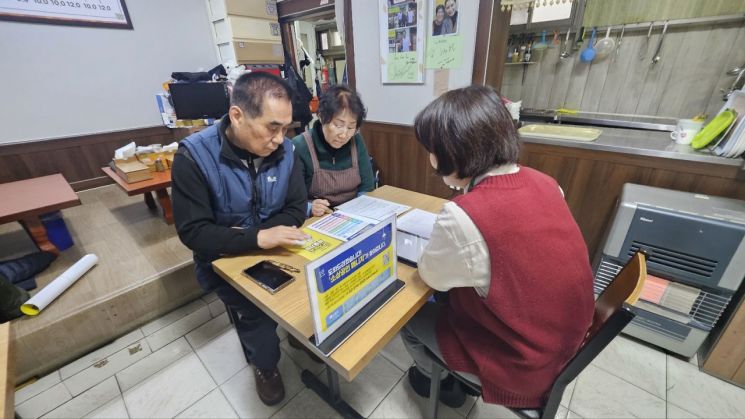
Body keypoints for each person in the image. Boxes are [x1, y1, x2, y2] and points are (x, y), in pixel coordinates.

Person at [401, 85, 595, 409]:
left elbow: (431, 276)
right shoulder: (547, 183)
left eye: (431, 148)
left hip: (522, 365)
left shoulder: (463, 216)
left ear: (455, 150)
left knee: (407, 319)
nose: (430, 158)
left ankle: (441, 384)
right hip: (563, 347)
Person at [172, 72, 309, 407]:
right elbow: (194, 232)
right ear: (237, 115)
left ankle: (303, 337)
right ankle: (265, 366)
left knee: (308, 288)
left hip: (273, 246)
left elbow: (295, 208)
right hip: (223, 261)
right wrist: (258, 237)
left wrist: (261, 236)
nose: (280, 139)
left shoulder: (287, 152)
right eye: (272, 127)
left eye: (286, 128)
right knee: (256, 313)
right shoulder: (193, 157)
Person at [292, 84, 375, 217]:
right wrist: (309, 207)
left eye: (350, 128)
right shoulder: (301, 145)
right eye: (338, 125)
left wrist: (362, 205)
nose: (343, 135)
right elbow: (293, 198)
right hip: (319, 217)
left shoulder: (356, 141)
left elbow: (367, 186)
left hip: (353, 214)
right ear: (321, 116)